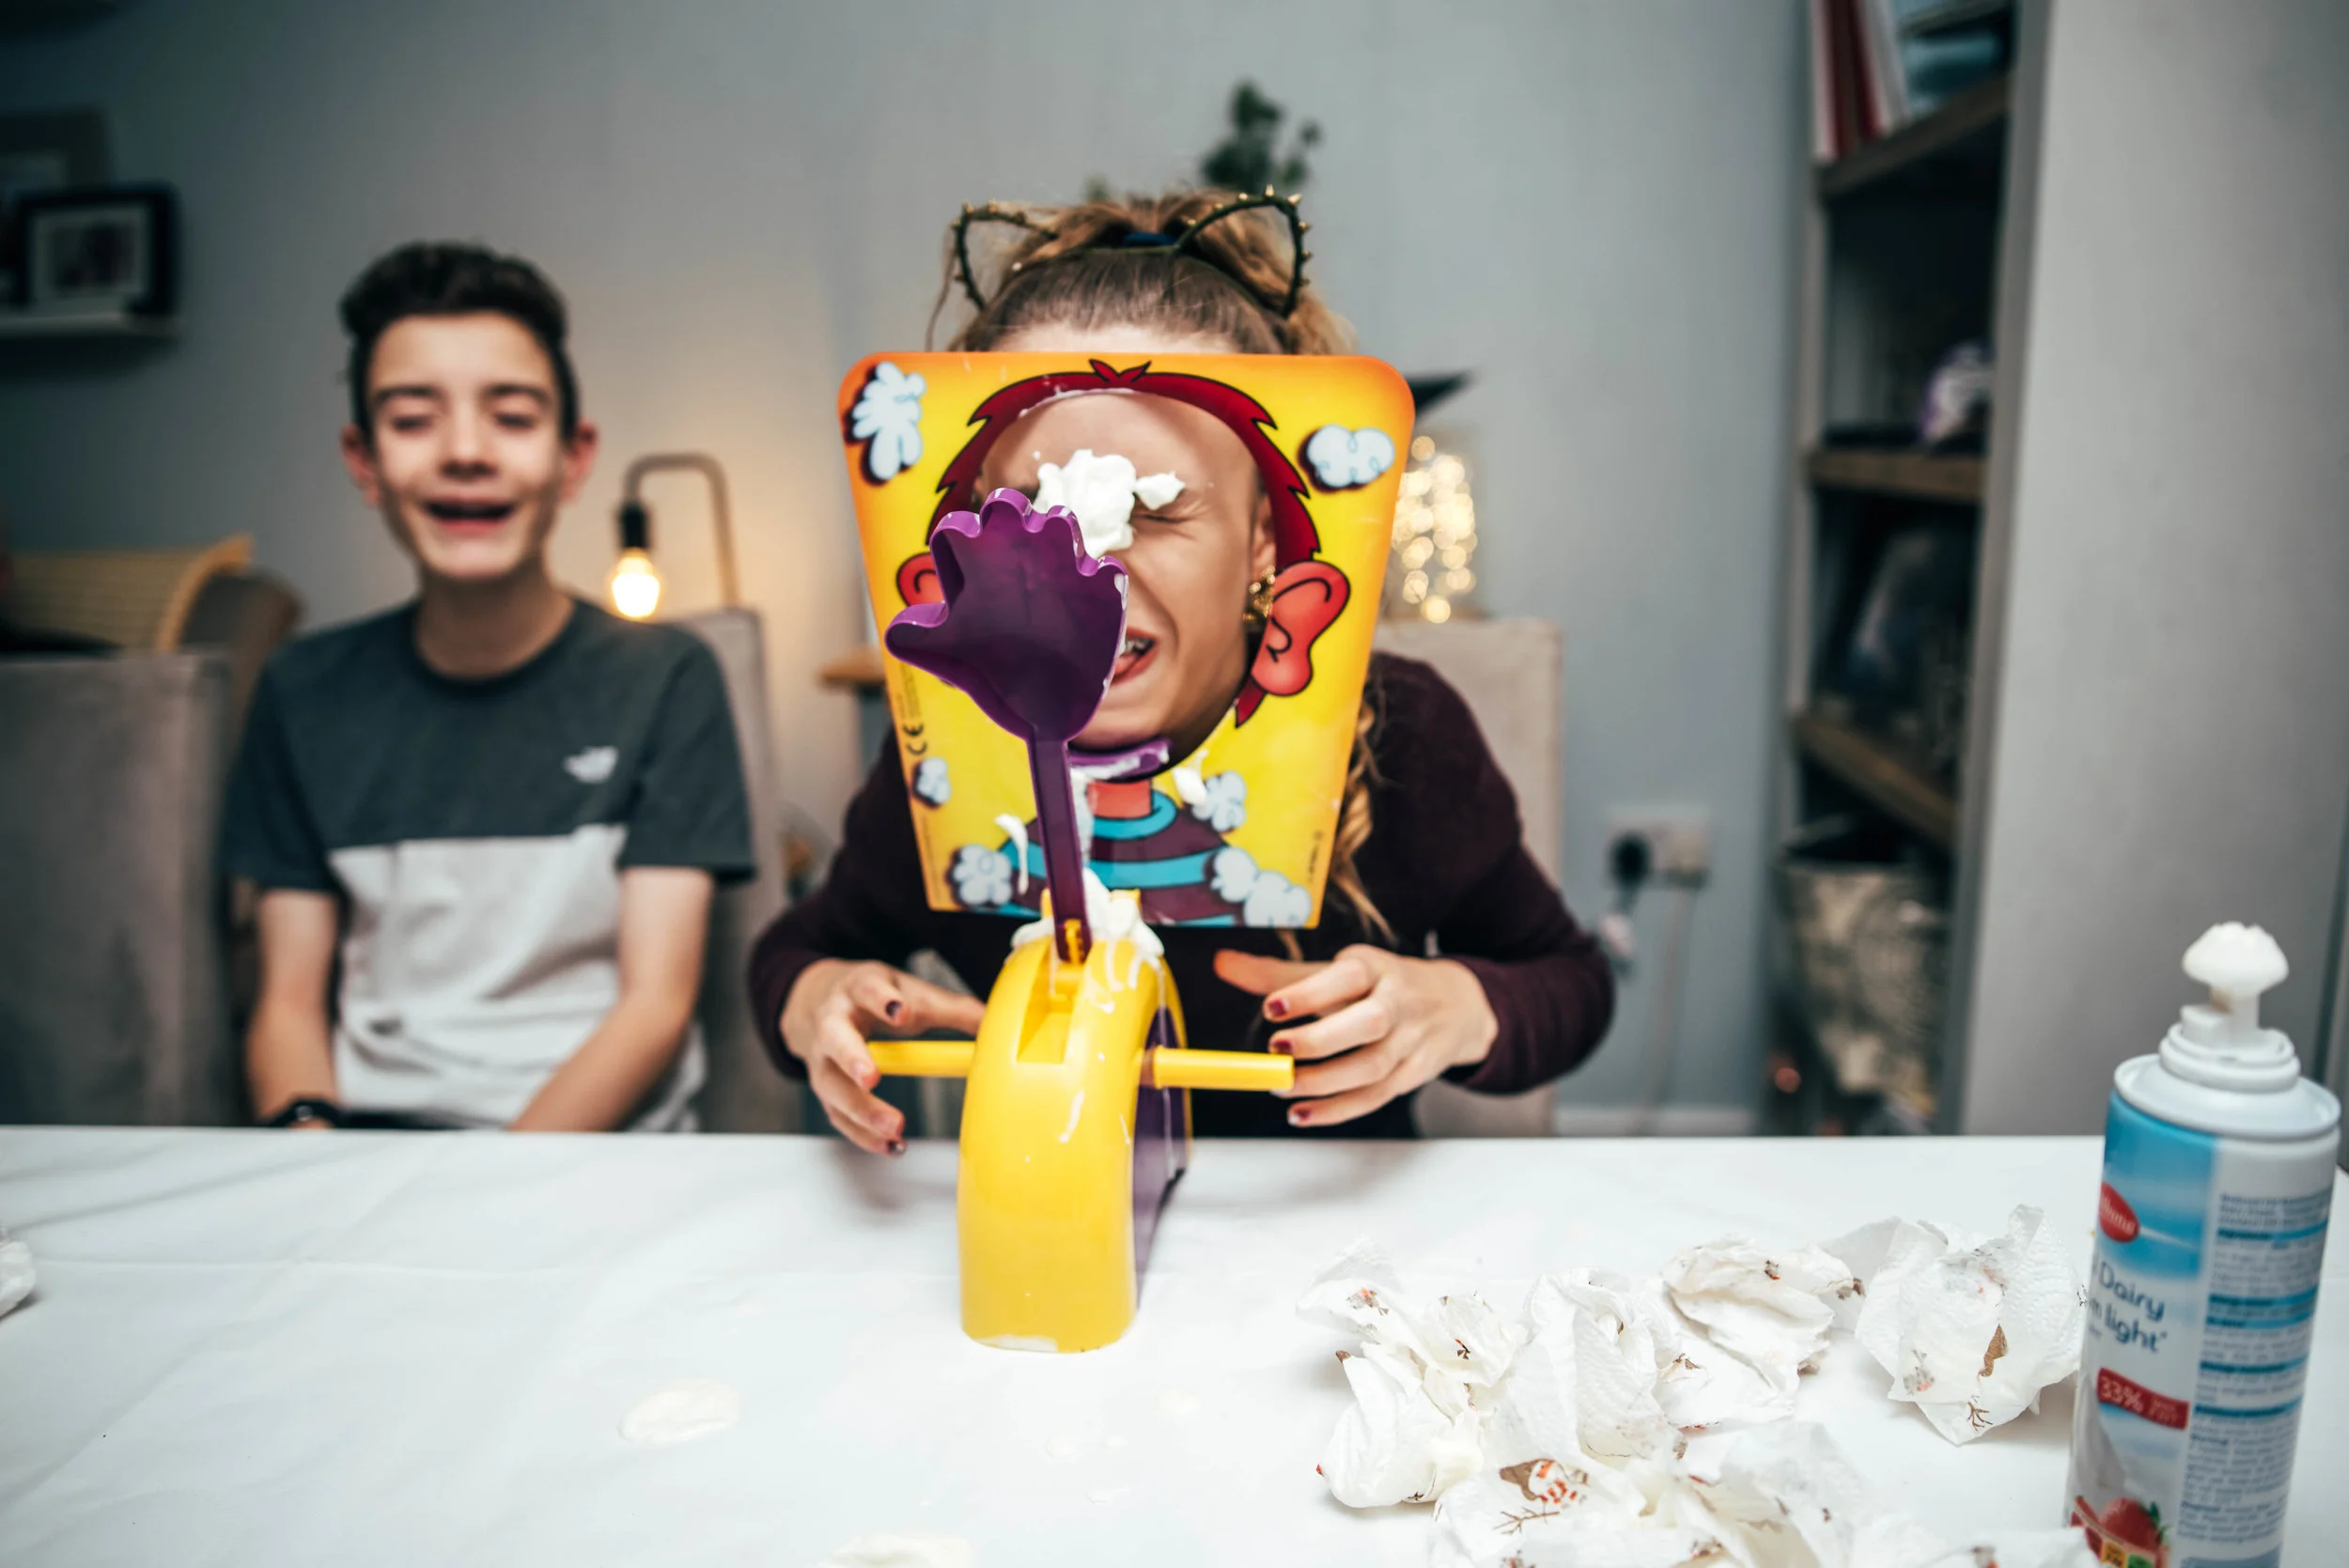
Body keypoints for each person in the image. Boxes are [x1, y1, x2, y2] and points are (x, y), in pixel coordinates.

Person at [751, 191, 1613, 1152]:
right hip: (1049, 1220)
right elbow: (797, 954)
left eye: (1149, 511)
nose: (1089, 568)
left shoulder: (1404, 735)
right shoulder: (945, 748)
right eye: (1034, 510)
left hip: (1324, 1225)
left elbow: (1572, 984)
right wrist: (818, 1002)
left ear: (1261, 539)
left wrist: (1456, 1006)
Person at [223, 241, 754, 1132]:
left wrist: (482, 1185)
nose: (465, 452)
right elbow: (287, 1005)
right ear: (363, 460)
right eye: (413, 419)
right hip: (363, 1158)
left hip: (593, 1161)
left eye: (510, 416)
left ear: (574, 457)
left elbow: (655, 1006)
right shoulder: (301, 690)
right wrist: (312, 1158)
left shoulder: (666, 678)